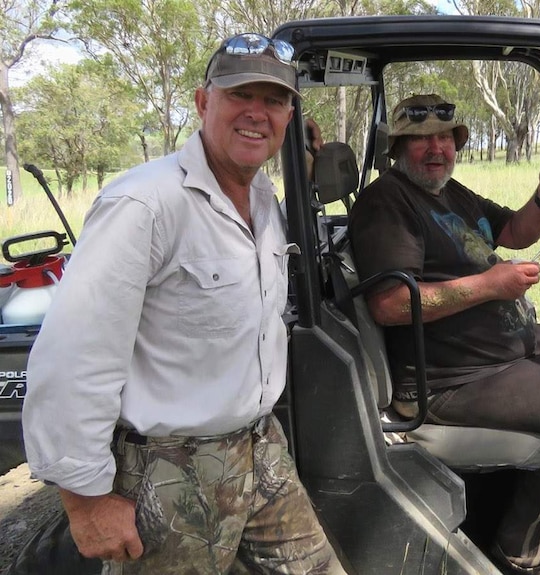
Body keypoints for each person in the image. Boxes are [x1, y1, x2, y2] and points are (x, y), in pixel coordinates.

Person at [22, 33, 346, 575]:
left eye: (273, 101)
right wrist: (85, 501)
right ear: (203, 103)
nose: (256, 113)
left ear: (289, 116)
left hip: (260, 446)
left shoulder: (264, 200)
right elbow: (73, 357)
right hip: (167, 467)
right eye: (240, 95)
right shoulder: (144, 204)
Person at [348, 94, 540, 575]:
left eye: (445, 137)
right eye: (420, 139)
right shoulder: (388, 202)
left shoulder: (447, 193)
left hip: (493, 350)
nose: (436, 148)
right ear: (398, 148)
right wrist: (490, 285)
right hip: (449, 377)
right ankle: (527, 551)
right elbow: (389, 305)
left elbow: (514, 231)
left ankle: (536, 498)